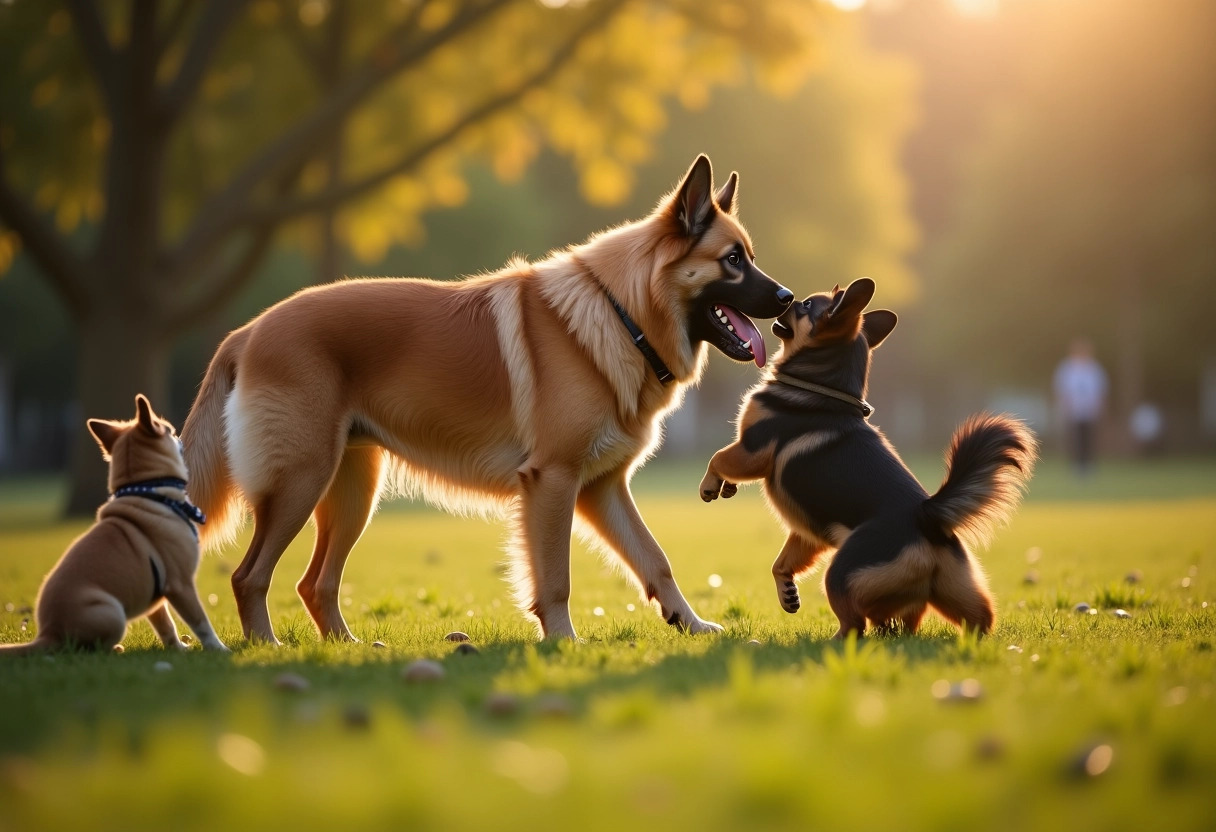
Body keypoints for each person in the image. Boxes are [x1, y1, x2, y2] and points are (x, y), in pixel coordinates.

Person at [1053, 338, 1108, 475]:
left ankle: (1088, 465)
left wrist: (1099, 407)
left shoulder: (1094, 369)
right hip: (1073, 411)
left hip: (1089, 411)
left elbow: (1100, 390)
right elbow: (1062, 389)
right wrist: (1066, 406)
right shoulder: (1067, 368)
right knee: (1075, 439)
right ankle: (1076, 466)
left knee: (1089, 438)